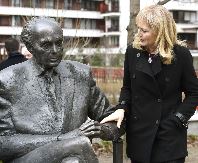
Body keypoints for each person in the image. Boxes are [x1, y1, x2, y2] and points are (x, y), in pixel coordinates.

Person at [0, 17, 124, 163]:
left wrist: (102, 130)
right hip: (31, 158)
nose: (55, 51)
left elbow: (115, 120)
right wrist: (64, 139)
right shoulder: (7, 80)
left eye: (58, 43)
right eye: (46, 45)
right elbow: (4, 143)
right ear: (30, 46)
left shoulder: (80, 74)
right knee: (79, 145)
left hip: (75, 158)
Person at [101, 5, 198, 163]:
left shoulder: (181, 54)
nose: (138, 34)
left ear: (160, 31)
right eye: (138, 28)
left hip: (169, 139)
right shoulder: (132, 52)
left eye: (144, 31)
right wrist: (122, 107)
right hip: (139, 136)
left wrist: (178, 119)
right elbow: (127, 88)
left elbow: (194, 93)